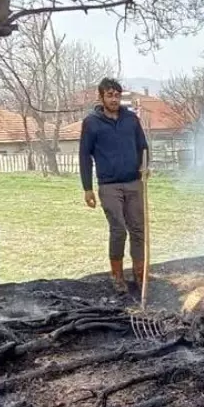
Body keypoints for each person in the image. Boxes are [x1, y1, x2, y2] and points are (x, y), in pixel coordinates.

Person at [79, 78, 149, 294]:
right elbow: (84, 156)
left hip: (134, 182)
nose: (114, 99)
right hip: (109, 185)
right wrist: (87, 188)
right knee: (118, 230)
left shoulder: (131, 120)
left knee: (138, 229)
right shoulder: (92, 122)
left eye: (117, 95)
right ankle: (117, 276)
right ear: (101, 97)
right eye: (110, 95)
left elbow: (143, 147)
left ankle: (140, 273)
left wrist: (145, 167)